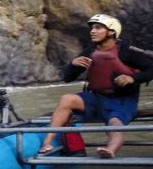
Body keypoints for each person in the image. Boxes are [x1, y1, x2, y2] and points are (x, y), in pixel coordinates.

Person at [39, 14, 152, 158]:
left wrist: (133, 78)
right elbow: (68, 78)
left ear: (111, 32)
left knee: (115, 125)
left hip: (122, 101)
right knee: (67, 99)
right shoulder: (90, 51)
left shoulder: (126, 51)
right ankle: (47, 142)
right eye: (92, 28)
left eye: (98, 28)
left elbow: (151, 69)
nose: (93, 31)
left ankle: (110, 150)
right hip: (95, 98)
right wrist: (72, 65)